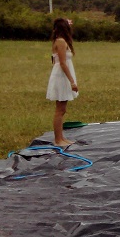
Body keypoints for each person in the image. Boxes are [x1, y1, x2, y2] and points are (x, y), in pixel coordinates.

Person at [46, 18, 79, 148]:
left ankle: (61, 137)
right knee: (60, 110)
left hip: (63, 76)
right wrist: (72, 82)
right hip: (61, 77)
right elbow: (62, 63)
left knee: (62, 109)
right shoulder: (60, 41)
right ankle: (58, 139)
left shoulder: (62, 41)